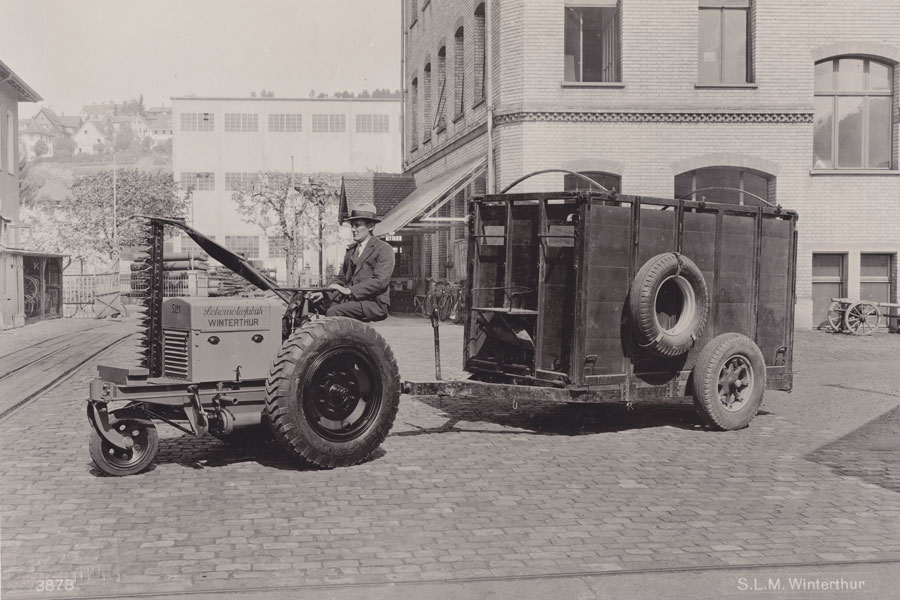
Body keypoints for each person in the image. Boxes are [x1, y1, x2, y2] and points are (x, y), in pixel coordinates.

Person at [308, 203, 394, 321]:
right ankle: (285, 336)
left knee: (334, 311)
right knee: (303, 301)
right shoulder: (351, 251)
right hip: (349, 301)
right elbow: (341, 279)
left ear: (370, 226)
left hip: (372, 303)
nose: (353, 230)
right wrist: (324, 293)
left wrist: (350, 290)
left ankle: (332, 339)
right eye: (352, 225)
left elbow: (381, 281)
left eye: (357, 226)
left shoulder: (384, 249)